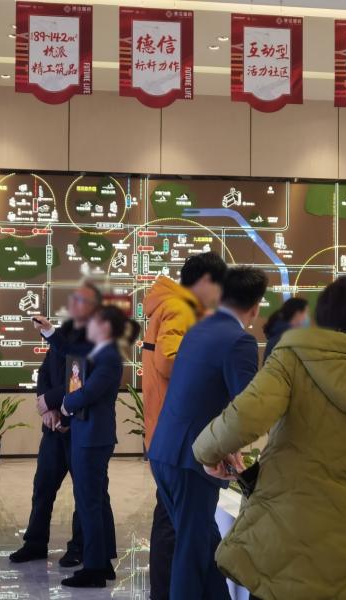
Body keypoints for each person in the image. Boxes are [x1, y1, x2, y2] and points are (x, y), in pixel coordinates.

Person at [192, 276, 346, 600]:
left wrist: (206, 453)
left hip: (282, 546)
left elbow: (243, 418)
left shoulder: (294, 358)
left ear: (324, 316)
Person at [149, 267, 268, 600]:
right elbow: (247, 407)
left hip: (165, 452)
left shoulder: (198, 329)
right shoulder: (240, 341)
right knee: (191, 550)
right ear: (255, 307)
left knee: (200, 541)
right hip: (193, 460)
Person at [143, 251, 227, 599]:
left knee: (182, 523)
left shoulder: (170, 305)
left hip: (167, 431)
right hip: (179, 433)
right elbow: (169, 361)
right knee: (178, 526)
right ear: (206, 281)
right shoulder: (181, 308)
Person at [34, 305, 128, 588]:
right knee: (93, 502)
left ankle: (94, 569)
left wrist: (64, 405)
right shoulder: (97, 350)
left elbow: (89, 391)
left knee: (89, 503)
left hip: (93, 438)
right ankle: (101, 563)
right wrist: (49, 331)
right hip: (87, 435)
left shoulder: (109, 356)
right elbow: (67, 351)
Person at [9, 282, 101, 566]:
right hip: (53, 429)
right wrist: (47, 407)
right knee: (43, 487)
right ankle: (35, 543)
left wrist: (53, 404)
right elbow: (44, 373)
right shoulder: (64, 334)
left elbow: (81, 379)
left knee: (83, 493)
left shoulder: (97, 339)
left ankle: (79, 548)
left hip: (79, 428)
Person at [262, 297, 308, 363]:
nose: (306, 317)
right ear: (297, 313)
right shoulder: (290, 340)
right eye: (305, 313)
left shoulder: (277, 334)